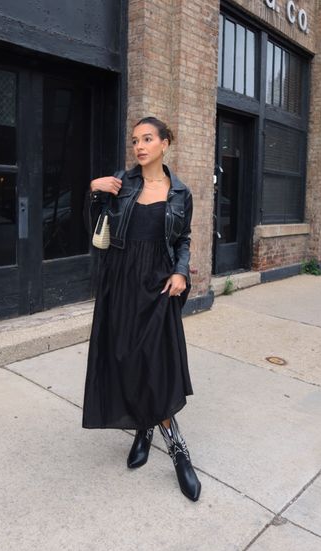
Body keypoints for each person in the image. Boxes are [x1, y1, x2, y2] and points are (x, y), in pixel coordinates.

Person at [82, 116, 201, 502]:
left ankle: (178, 448)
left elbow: (182, 240)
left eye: (148, 139)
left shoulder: (181, 193)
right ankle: (143, 428)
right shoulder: (122, 183)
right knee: (126, 358)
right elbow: (95, 230)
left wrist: (181, 272)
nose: (140, 146)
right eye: (135, 140)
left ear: (165, 143)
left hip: (159, 285)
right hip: (120, 281)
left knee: (156, 363)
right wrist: (93, 190)